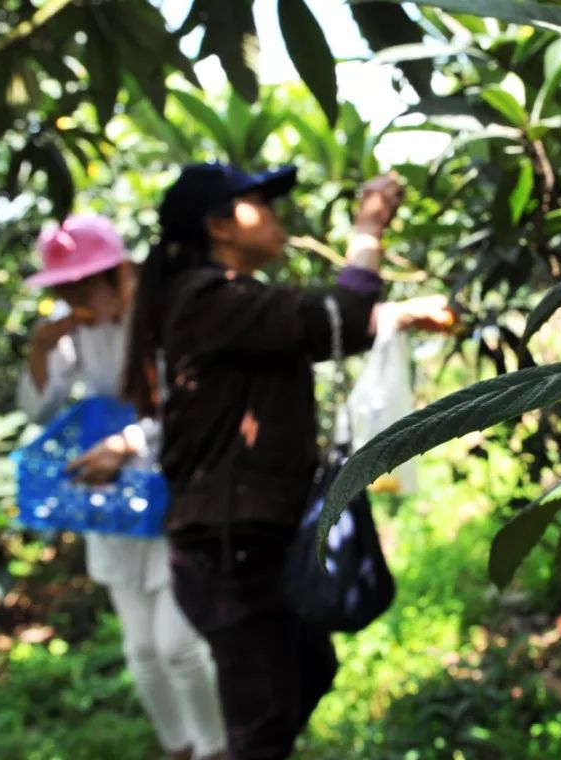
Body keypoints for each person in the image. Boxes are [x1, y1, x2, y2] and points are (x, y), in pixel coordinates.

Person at [120, 163, 450, 759]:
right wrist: (368, 228)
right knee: (263, 720)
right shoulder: (207, 297)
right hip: (229, 551)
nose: (277, 216)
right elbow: (337, 320)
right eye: (260, 203)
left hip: (247, 541)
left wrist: (394, 316)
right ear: (220, 225)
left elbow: (316, 329)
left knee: (304, 673)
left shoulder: (224, 301)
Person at [18, 214, 225, 760]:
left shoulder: (165, 314)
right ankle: (179, 746)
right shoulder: (73, 326)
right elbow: (42, 410)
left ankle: (216, 748)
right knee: (141, 651)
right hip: (114, 508)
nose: (71, 298)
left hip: (174, 493)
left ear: (119, 274)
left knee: (178, 646)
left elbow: (191, 405)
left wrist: (129, 444)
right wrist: (41, 352)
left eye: (80, 285)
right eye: (63, 288)